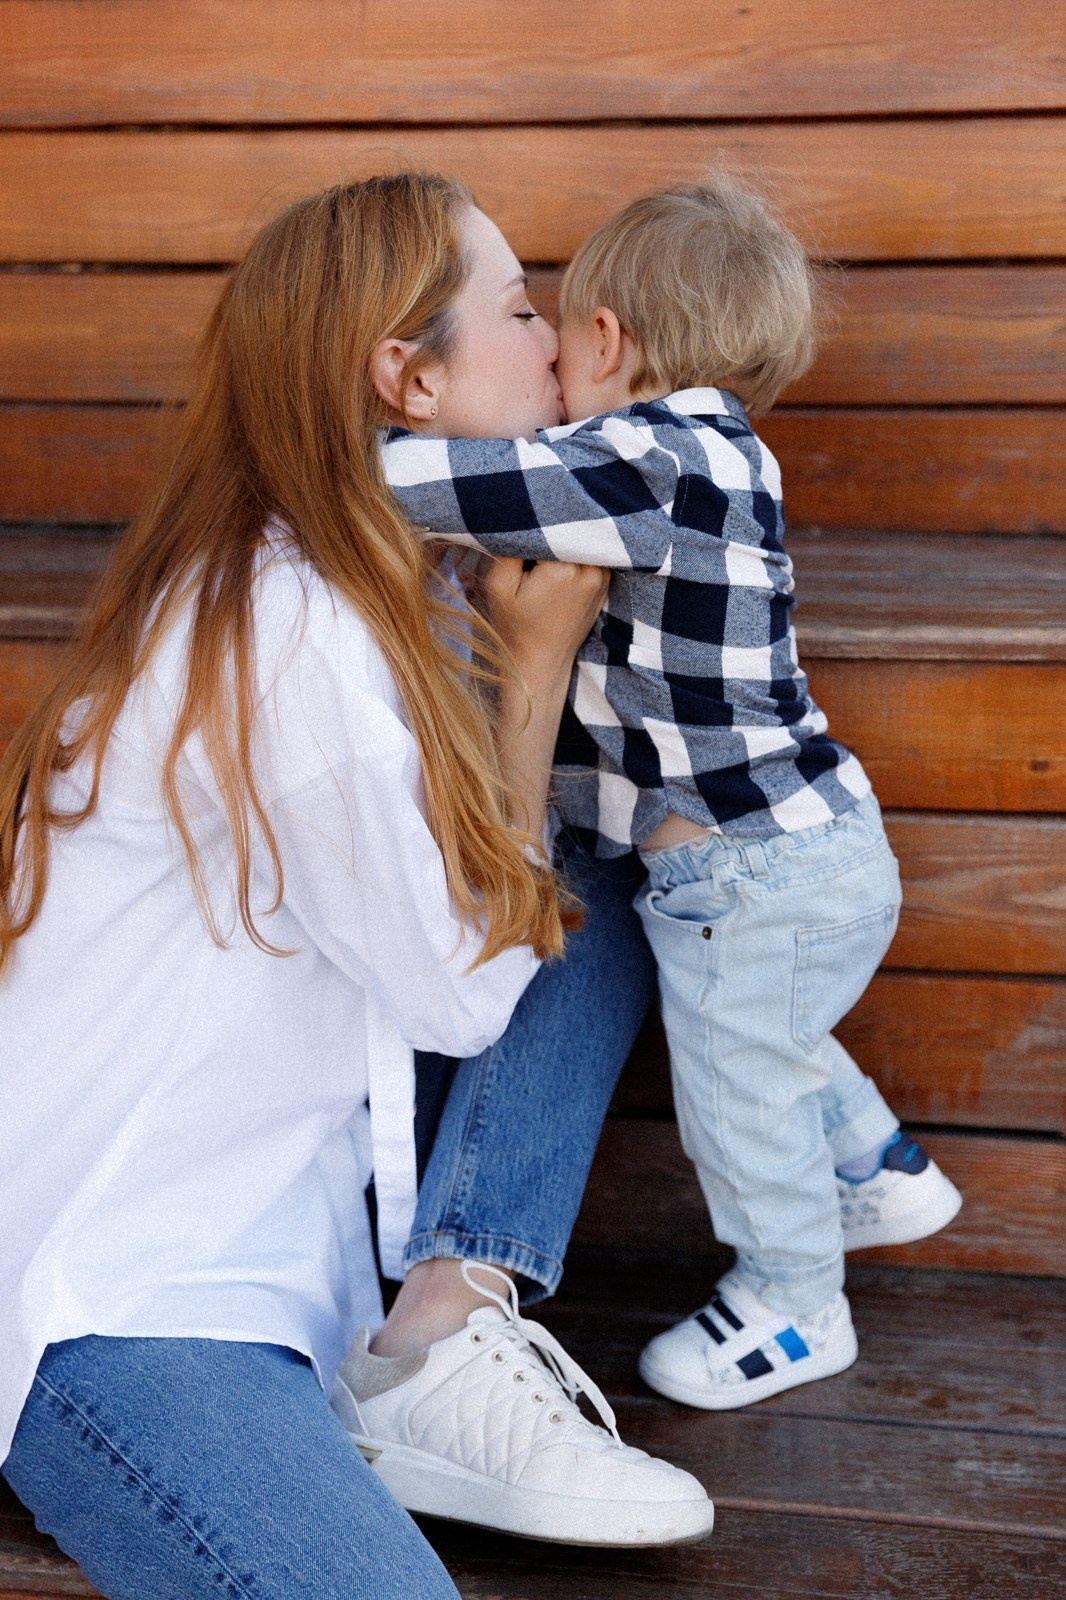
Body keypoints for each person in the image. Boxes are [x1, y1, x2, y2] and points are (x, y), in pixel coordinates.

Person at [0, 173, 712, 1600]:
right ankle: (434, 1341)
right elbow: (462, 992)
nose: (561, 345)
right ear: (407, 374)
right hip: (137, 1303)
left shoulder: (378, 583)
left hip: (297, 1250)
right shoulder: (293, 632)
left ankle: (444, 1323)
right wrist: (535, 680)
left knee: (617, 868)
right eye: (520, 309)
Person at [379, 175, 963, 1415]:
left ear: (608, 341)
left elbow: (456, 491)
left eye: (554, 327)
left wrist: (340, 453)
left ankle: (795, 1303)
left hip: (749, 874)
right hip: (794, 853)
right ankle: (877, 1163)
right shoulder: (710, 457)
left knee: (735, 1094)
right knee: (766, 1032)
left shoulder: (654, 457)